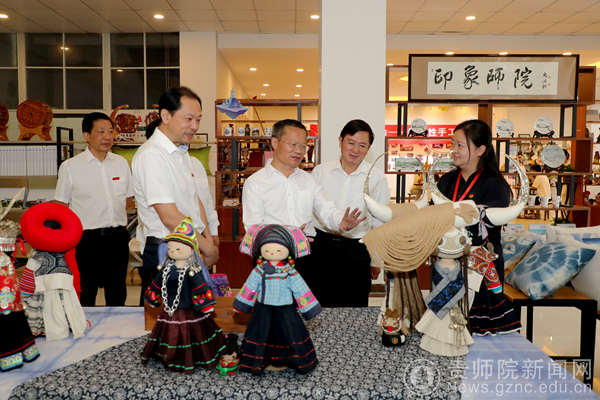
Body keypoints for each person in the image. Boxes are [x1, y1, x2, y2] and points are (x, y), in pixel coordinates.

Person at [242, 119, 366, 292]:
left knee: (307, 306)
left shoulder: (308, 180)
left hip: (306, 257)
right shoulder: (256, 182)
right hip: (271, 258)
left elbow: (326, 208)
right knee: (272, 306)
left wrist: (341, 221)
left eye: (303, 146)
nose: (299, 151)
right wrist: (289, 237)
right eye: (293, 144)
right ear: (275, 143)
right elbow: (253, 227)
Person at [132, 87, 218, 305]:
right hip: (168, 250)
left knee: (193, 316)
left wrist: (206, 237)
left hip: (189, 243)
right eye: (188, 119)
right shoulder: (152, 155)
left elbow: (193, 199)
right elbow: (169, 217)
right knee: (169, 319)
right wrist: (207, 246)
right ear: (166, 116)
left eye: (198, 119)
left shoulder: (180, 152)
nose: (195, 126)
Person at [435, 119, 521, 336]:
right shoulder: (445, 181)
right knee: (444, 331)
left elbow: (487, 223)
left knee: (480, 335)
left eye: (460, 145)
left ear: (481, 149)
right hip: (446, 261)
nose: (453, 150)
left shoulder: (495, 184)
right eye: (452, 144)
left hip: (481, 266)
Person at [54, 112, 133, 306]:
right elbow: (61, 206)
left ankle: (116, 325)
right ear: (87, 136)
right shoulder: (71, 166)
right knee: (86, 292)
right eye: (101, 131)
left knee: (117, 293)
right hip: (86, 240)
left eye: (110, 131)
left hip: (117, 238)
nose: (107, 136)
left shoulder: (121, 163)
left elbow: (128, 199)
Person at [310, 119, 390, 307]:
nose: (355, 150)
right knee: (317, 304)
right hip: (321, 247)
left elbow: (380, 222)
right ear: (340, 141)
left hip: (357, 250)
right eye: (351, 143)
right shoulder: (320, 172)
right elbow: (309, 209)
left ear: (368, 148)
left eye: (362, 145)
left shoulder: (377, 178)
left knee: (355, 304)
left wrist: (375, 260)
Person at [141, 217, 225, 374]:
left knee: (190, 333)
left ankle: (188, 356)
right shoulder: (166, 269)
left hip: (189, 309)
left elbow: (200, 287)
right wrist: (153, 298)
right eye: (170, 248)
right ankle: (169, 354)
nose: (173, 251)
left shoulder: (192, 271)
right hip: (170, 308)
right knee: (169, 332)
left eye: (178, 248)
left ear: (191, 250)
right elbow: (157, 284)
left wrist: (205, 304)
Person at [147, 119, 220, 249]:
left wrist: (211, 231)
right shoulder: (151, 159)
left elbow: (204, 200)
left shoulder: (194, 162)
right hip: (170, 241)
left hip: (199, 235)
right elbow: (169, 217)